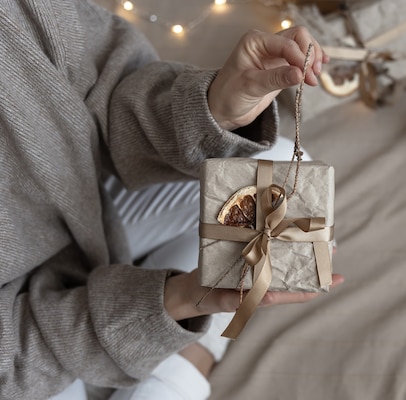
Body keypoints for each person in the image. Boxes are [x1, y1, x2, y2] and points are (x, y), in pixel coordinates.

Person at [0, 0, 342, 399]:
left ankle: (181, 346)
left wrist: (217, 108)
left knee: (276, 169)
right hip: (19, 354)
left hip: (82, 210)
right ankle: (191, 358)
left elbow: (103, 79)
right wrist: (174, 301)